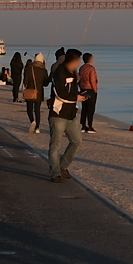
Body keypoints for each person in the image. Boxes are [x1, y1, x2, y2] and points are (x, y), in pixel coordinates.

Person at [47, 49, 88, 183]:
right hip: (58, 114)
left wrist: (82, 94)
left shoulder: (73, 72)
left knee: (77, 141)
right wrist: (76, 97)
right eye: (78, 60)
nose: (79, 63)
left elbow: (72, 90)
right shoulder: (59, 72)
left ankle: (63, 165)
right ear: (73, 60)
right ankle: (55, 173)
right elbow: (60, 93)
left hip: (71, 114)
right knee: (55, 145)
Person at [23, 53, 48, 134]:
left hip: (29, 92)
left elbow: (25, 81)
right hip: (39, 92)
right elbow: (46, 83)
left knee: (29, 109)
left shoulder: (30, 69)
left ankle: (32, 121)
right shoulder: (44, 70)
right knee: (37, 110)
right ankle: (37, 128)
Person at [78, 53, 98, 133]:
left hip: (83, 89)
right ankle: (90, 126)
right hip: (90, 89)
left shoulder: (81, 68)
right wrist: (95, 90)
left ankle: (83, 126)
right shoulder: (91, 68)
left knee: (84, 108)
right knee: (91, 108)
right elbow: (92, 80)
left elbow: (79, 79)